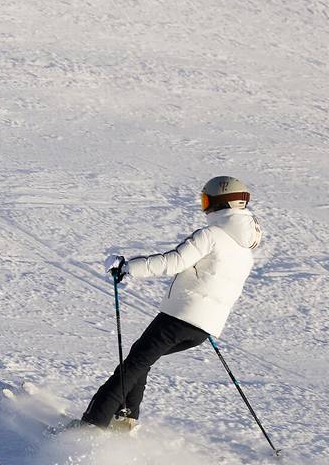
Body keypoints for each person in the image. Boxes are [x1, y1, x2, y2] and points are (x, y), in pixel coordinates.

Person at [80, 175, 262, 430]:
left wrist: (127, 267)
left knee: (133, 365)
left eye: (206, 200)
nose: (205, 206)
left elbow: (173, 261)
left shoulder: (211, 235)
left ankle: (92, 425)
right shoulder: (245, 252)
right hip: (203, 328)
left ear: (221, 203)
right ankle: (125, 420)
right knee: (140, 359)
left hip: (179, 317)